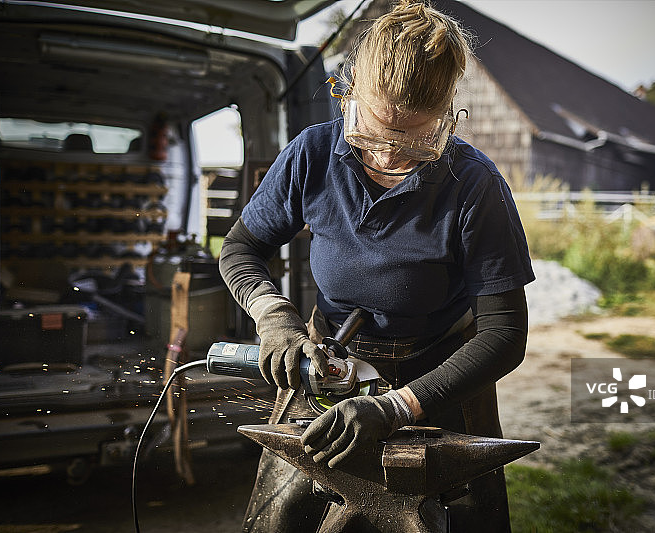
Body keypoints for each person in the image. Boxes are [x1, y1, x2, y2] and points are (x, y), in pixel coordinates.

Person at [219, 1, 534, 531]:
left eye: (412, 142)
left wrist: (397, 407)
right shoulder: (312, 154)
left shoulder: (474, 185)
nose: (388, 157)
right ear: (348, 94)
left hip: (437, 376)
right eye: (372, 134)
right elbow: (240, 249)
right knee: (282, 518)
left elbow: (503, 334)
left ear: (447, 118)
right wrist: (273, 315)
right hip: (330, 365)